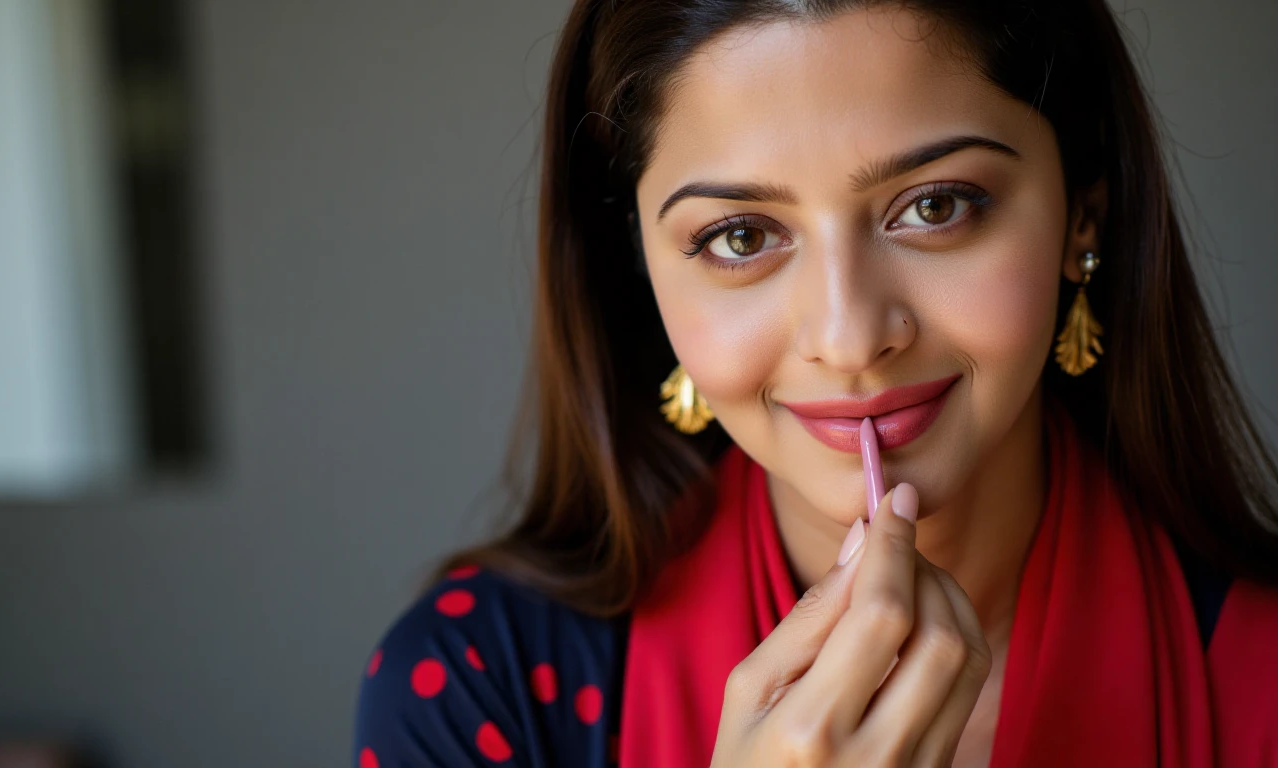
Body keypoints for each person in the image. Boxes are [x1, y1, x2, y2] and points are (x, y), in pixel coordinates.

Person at [352, 1, 1278, 766]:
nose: (849, 339)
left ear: (1085, 212)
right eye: (741, 237)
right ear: (642, 270)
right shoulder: (479, 686)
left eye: (937, 206)